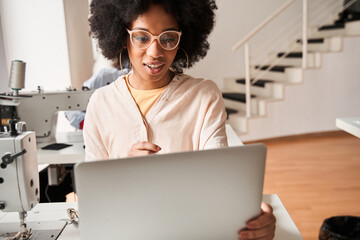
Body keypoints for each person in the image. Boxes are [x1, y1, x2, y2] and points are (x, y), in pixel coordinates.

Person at [84, 0, 276, 239]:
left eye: (168, 38)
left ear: (182, 39)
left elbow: (218, 182)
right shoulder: (100, 104)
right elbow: (93, 199)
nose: (155, 52)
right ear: (122, 37)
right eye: (142, 37)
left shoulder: (204, 95)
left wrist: (253, 217)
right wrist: (124, 172)